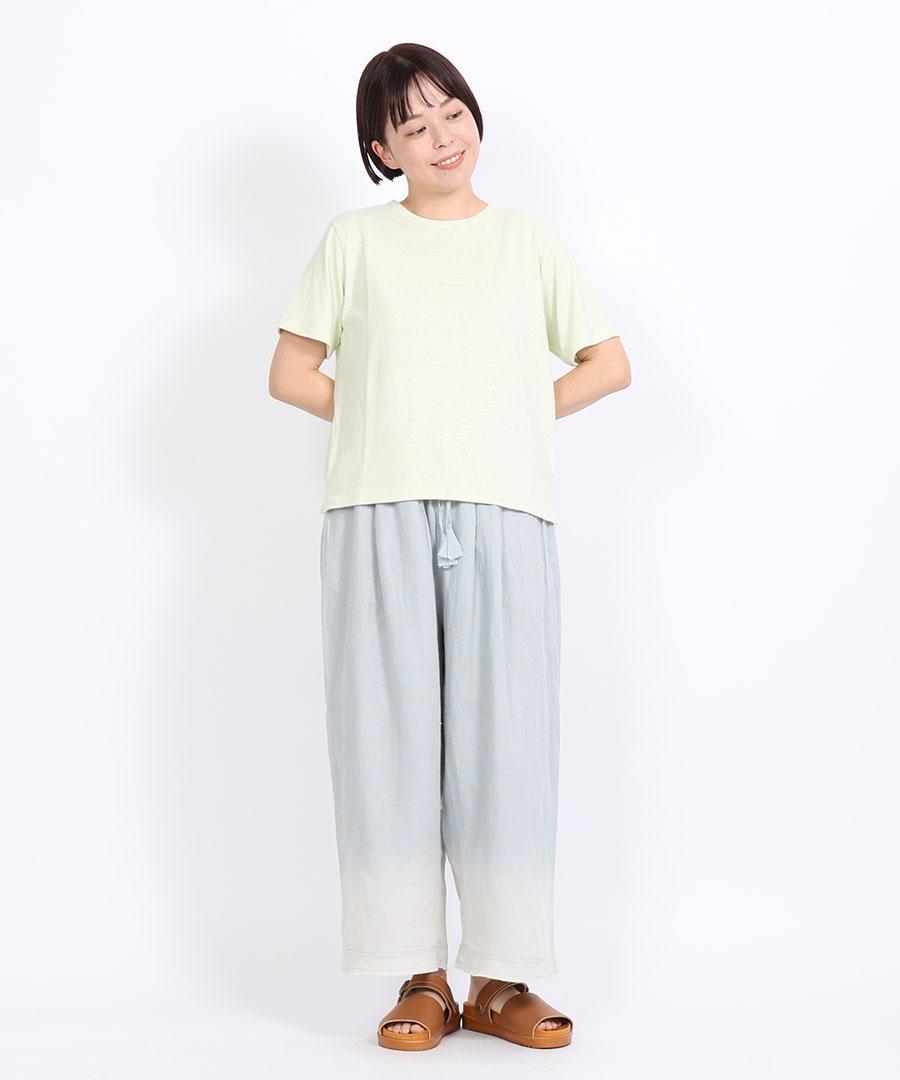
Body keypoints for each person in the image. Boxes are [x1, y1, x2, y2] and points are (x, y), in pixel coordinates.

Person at [268, 42, 631, 1051]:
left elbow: (607, 362)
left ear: (474, 116)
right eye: (413, 125)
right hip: (375, 508)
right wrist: (388, 418)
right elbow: (291, 372)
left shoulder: (528, 242)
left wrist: (504, 423)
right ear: (382, 148)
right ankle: (419, 976)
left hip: (504, 510)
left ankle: (502, 981)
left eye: (453, 112)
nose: (441, 137)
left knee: (506, 740)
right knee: (385, 738)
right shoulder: (353, 240)